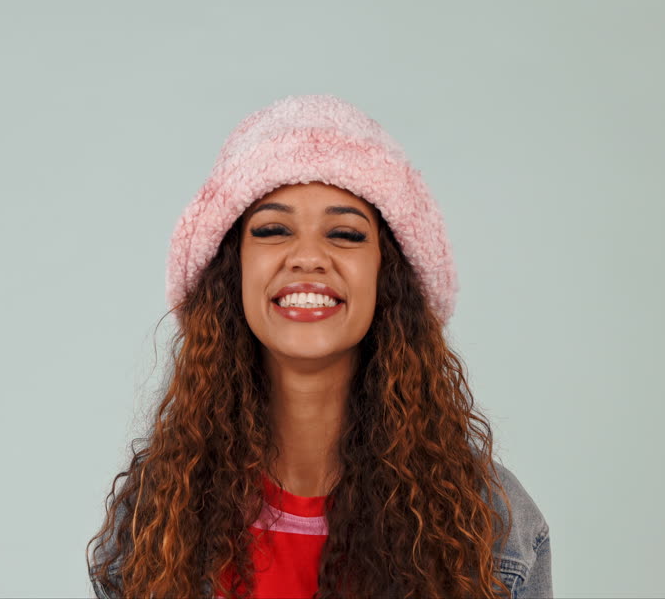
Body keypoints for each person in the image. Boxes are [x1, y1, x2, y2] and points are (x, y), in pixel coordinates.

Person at [86, 95, 551, 598]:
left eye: (346, 233)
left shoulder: (489, 523)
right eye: (272, 229)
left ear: (388, 276)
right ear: (232, 270)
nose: (308, 256)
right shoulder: (157, 518)